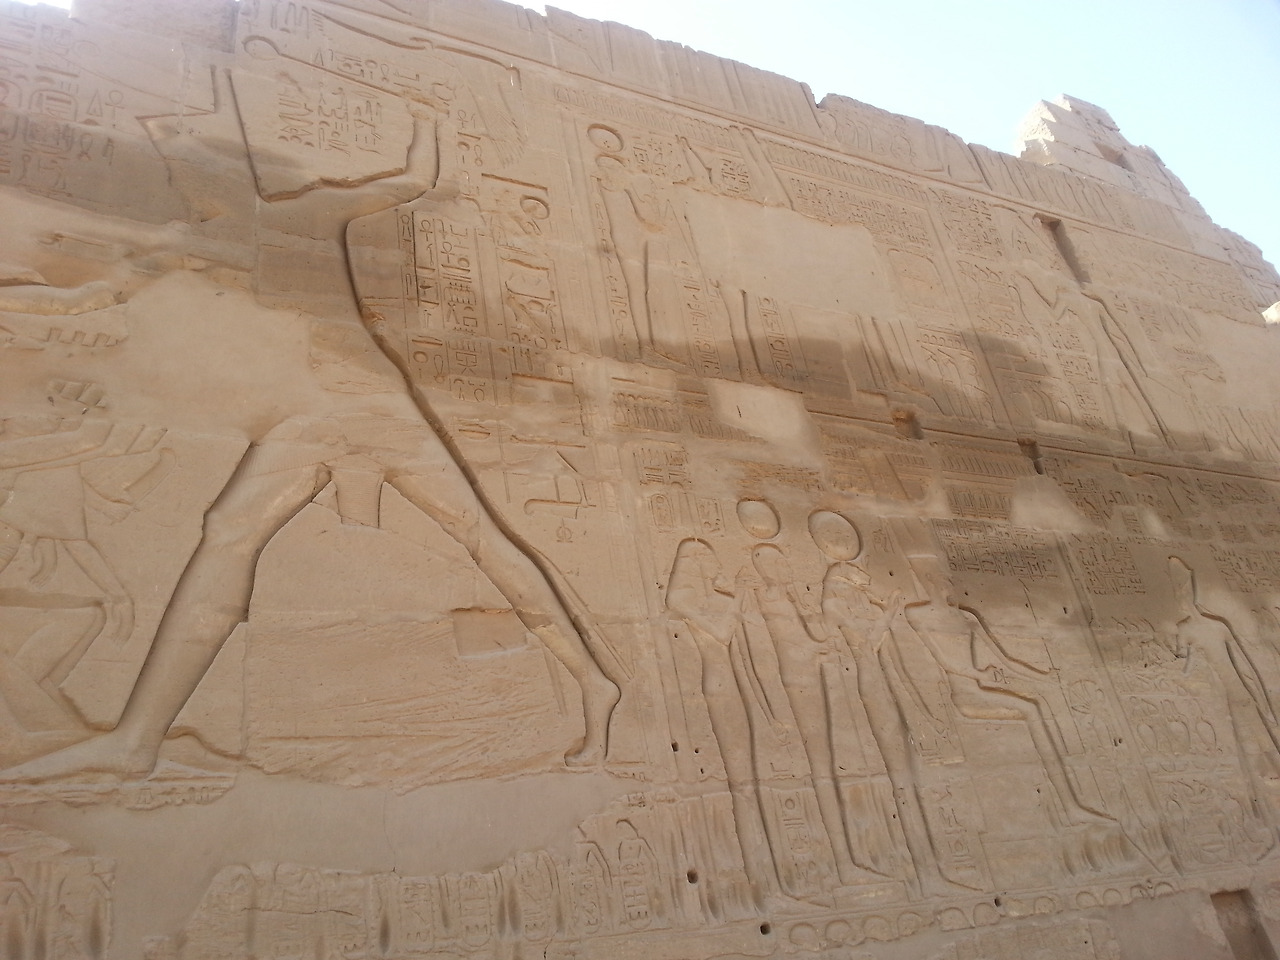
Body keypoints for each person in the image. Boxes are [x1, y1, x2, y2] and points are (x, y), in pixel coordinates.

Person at [1, 68, 620, 783]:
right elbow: (84, 299)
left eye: (192, 169)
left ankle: (593, 682)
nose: (189, 188)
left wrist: (426, 116)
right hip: (315, 411)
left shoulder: (300, 213)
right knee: (240, 533)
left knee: (467, 538)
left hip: (360, 406)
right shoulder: (204, 237)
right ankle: (137, 739)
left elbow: (413, 180)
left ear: (226, 175)